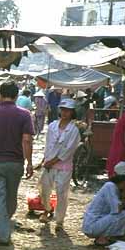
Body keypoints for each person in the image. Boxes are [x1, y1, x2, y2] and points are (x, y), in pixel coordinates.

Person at [0, 80, 35, 246]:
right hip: (16, 163)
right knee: (11, 197)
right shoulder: (24, 114)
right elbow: (27, 140)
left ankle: (2, 235)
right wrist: (29, 163)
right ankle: (4, 229)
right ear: (16, 96)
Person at [38, 98, 81, 231]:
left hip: (63, 166)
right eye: (63, 110)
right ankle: (46, 209)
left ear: (72, 112)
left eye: (67, 111)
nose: (64, 113)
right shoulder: (52, 126)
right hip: (48, 164)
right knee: (44, 189)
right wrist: (45, 160)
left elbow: (68, 150)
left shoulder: (74, 130)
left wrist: (53, 161)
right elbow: (48, 145)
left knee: (61, 193)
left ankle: (59, 220)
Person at [82, 161, 125, 245]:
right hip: (92, 226)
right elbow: (117, 209)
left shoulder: (117, 188)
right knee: (124, 215)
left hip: (99, 222)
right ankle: (103, 238)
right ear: (124, 178)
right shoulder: (110, 186)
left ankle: (108, 236)